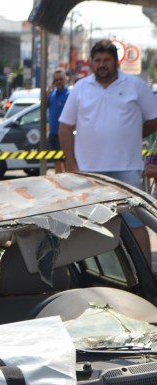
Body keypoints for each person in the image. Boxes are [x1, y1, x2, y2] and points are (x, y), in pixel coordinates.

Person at [59, 39, 157, 259]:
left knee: (134, 225)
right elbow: (65, 128)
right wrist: (71, 164)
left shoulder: (136, 86)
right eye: (98, 60)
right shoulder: (81, 88)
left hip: (127, 170)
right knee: (89, 227)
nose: (102, 64)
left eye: (107, 60)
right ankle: (95, 280)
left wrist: (134, 133)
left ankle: (147, 285)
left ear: (116, 61)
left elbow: (154, 118)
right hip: (89, 173)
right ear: (92, 63)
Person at [47, 69, 70, 174]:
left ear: (65, 79)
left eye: (61, 79)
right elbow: (44, 105)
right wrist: (47, 92)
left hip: (65, 133)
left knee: (66, 161)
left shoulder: (69, 94)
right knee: (57, 160)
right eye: (56, 80)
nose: (58, 82)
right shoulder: (52, 94)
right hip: (53, 133)